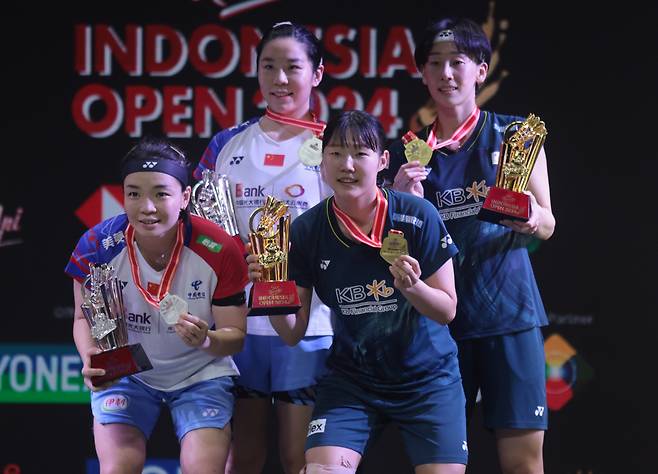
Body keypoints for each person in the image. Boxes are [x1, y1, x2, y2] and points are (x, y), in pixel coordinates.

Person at [248, 110, 468, 474]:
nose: (346, 164)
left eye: (359, 154)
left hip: (427, 380)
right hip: (354, 381)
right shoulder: (306, 231)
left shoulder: (417, 215)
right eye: (335, 153)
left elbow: (447, 310)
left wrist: (413, 288)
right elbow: (292, 332)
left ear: (382, 161)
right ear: (321, 160)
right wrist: (270, 288)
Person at [383, 17, 555, 474]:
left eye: (457, 62)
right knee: (442, 465)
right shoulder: (410, 155)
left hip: (509, 317)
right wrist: (403, 203)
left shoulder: (516, 136)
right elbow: (394, 252)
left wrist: (525, 213)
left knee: (522, 463)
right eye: (434, 64)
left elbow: (548, 222)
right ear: (422, 74)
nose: (446, 74)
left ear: (481, 70)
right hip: (441, 325)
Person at [193, 21, 333, 474]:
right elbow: (201, 229)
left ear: (316, 74)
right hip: (239, 326)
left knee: (299, 458)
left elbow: (355, 225)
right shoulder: (226, 144)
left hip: (309, 324)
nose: (279, 79)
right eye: (268, 67)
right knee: (243, 457)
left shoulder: (336, 146)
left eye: (292, 67)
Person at [65, 137, 249, 473]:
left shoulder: (218, 247)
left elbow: (235, 335)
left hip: (200, 371)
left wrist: (207, 339)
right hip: (127, 372)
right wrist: (90, 355)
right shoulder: (98, 246)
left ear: (185, 198)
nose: (146, 207)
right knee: (120, 466)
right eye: (133, 193)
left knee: (204, 468)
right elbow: (81, 316)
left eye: (161, 193)